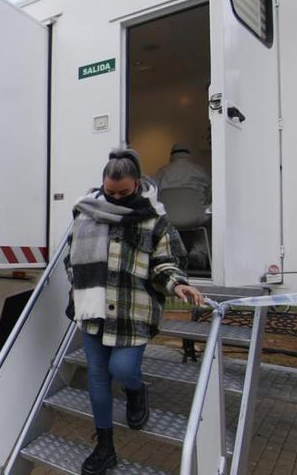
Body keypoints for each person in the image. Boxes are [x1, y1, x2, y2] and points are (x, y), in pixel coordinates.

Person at [65, 148, 204, 475]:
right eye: (110, 192)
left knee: (124, 370)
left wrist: (177, 284)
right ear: (102, 184)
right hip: (92, 309)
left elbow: (167, 261)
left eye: (123, 193)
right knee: (98, 379)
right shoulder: (85, 211)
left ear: (138, 184)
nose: (115, 198)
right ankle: (105, 447)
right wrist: (78, 282)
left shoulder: (155, 219)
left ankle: (136, 390)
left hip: (133, 311)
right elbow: (71, 256)